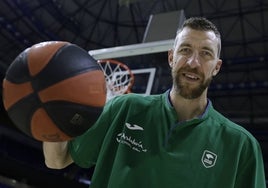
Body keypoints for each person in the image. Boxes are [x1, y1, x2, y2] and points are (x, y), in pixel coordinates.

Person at [43, 17, 266, 188]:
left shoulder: (241, 146)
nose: (193, 62)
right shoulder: (124, 108)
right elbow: (57, 160)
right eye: (185, 50)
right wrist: (49, 106)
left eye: (205, 54)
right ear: (171, 57)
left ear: (216, 67)